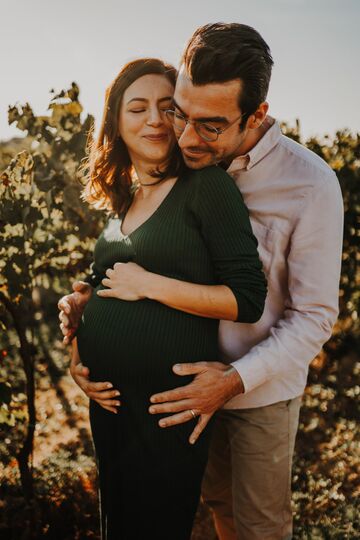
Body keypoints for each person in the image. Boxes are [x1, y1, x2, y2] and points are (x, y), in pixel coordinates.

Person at [60, 24, 344, 540]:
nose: (187, 138)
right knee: (216, 511)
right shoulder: (174, 168)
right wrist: (89, 310)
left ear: (256, 115)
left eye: (210, 125)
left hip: (256, 388)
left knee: (256, 524)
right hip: (179, 385)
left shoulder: (310, 184)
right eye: (181, 114)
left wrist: (234, 380)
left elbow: (315, 317)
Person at [66, 56, 266, 540]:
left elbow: (247, 297)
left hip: (166, 406)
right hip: (111, 407)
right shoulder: (125, 198)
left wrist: (150, 285)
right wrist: (77, 345)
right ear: (115, 121)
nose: (155, 119)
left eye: (166, 107)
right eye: (137, 108)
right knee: (117, 523)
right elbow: (99, 286)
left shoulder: (207, 188)